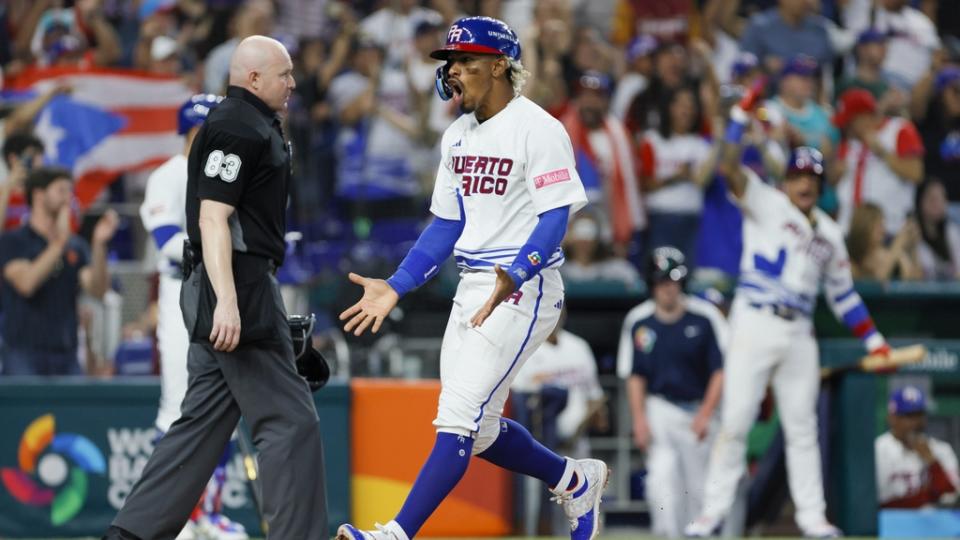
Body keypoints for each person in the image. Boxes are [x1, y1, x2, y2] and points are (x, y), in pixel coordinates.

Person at [335, 16, 608, 540]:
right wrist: (396, 284)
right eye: (451, 61)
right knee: (477, 432)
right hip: (473, 284)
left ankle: (395, 534)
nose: (454, 70)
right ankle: (573, 480)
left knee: (458, 417)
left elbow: (556, 216)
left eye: (466, 61)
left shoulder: (539, 127)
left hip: (523, 287)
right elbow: (446, 223)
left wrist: (519, 271)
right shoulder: (456, 134)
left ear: (500, 66)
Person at [103, 35, 327, 540]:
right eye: (283, 73)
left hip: (232, 284)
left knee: (198, 429)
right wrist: (229, 300)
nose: (293, 82)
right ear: (252, 77)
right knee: (291, 423)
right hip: (238, 287)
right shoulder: (235, 125)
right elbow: (212, 217)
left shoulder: (250, 123)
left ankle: (129, 535)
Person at [685, 87, 893, 537]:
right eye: (799, 176)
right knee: (736, 420)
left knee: (802, 429)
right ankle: (711, 514)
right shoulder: (767, 200)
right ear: (787, 180)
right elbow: (728, 168)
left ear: (819, 186)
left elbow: (845, 297)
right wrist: (739, 118)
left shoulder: (832, 235)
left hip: (798, 331)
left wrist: (873, 338)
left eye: (812, 179)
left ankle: (812, 519)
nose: (805, 183)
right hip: (755, 319)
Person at [138, 94, 248, 540]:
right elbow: (166, 238)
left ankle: (207, 513)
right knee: (177, 407)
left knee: (222, 408)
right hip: (181, 295)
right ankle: (171, 516)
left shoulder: (224, 171)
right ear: (192, 131)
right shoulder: (168, 174)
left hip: (222, 297)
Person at [617, 247, 726, 538]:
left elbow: (720, 371)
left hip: (698, 409)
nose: (668, 287)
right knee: (662, 484)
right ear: (652, 284)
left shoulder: (704, 317)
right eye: (662, 281)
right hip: (660, 408)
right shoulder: (638, 320)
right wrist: (639, 420)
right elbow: (635, 375)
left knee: (699, 488)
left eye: (673, 280)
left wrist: (706, 413)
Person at [0, 167, 117, 375]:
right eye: (61, 190)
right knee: (28, 408)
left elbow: (97, 290)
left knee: (73, 408)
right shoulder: (13, 241)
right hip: (23, 355)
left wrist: (99, 245)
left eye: (70, 192)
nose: (68, 198)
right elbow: (26, 283)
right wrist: (59, 242)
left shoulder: (76, 246)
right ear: (38, 194)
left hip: (66, 354)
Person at [511, 307, 606, 458]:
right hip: (540, 438)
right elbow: (517, 395)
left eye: (559, 309)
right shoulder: (524, 347)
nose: (555, 315)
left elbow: (594, 395)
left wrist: (591, 418)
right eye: (550, 308)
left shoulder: (578, 346)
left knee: (580, 478)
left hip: (577, 441)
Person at [833, 88, 925, 236]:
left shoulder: (899, 130)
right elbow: (836, 180)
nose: (846, 128)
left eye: (849, 122)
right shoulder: (849, 142)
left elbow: (916, 173)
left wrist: (882, 152)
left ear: (864, 116)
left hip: (889, 228)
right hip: (849, 228)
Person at [876, 385, 959, 508]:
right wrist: (926, 497)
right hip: (891, 524)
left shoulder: (941, 449)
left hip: (937, 524)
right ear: (892, 418)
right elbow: (877, 503)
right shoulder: (878, 449)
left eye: (919, 415)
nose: (916, 422)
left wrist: (932, 462)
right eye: (909, 416)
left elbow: (951, 496)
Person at [845, 203, 923, 281]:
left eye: (882, 225)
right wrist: (897, 244)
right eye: (878, 225)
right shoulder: (850, 257)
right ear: (863, 227)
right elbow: (876, 283)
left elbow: (916, 279)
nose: (883, 230)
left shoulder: (895, 254)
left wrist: (913, 248)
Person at [914, 178, 960, 280]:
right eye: (932, 198)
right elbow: (914, 275)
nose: (938, 204)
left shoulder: (952, 231)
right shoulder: (912, 234)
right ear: (920, 201)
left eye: (942, 198)